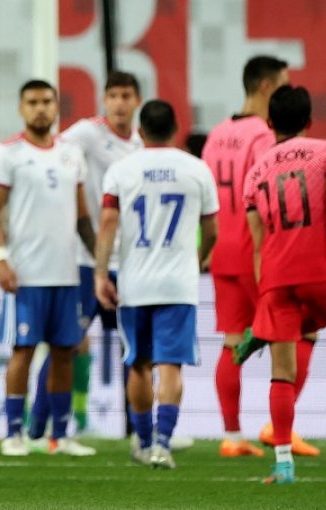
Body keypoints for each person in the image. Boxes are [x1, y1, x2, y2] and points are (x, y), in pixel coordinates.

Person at [242, 85, 326, 484]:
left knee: (281, 372)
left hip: (276, 277)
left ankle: (283, 463)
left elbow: (258, 245)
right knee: (317, 321)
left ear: (270, 123)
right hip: (319, 274)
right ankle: (284, 331)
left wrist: (263, 297)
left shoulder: (255, 171)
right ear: (309, 122)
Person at [201, 56, 318, 458]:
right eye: (283, 85)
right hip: (258, 251)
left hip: (221, 250)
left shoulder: (217, 134)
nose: (287, 91)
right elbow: (273, 192)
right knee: (301, 332)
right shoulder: (264, 137)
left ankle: (232, 436)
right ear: (267, 87)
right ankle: (277, 427)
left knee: (232, 340)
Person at [95, 100, 219, 469]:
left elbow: (107, 226)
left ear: (141, 130)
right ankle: (164, 445)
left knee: (138, 364)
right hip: (178, 284)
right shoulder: (197, 169)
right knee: (170, 366)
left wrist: (101, 274)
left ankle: (143, 442)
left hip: (135, 283)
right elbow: (212, 229)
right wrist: (197, 259)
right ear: (175, 128)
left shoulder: (121, 170)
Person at [0, 79, 97, 457]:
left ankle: (59, 436)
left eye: (47, 101)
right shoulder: (8, 153)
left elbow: (82, 218)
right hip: (26, 274)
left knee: (65, 352)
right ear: (21, 108)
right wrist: (1, 258)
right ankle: (13, 433)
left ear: (55, 106)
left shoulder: (71, 154)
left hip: (66, 272)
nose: (40, 108)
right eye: (32, 102)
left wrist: (98, 263)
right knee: (24, 350)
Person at [27, 71, 143, 441]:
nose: (120, 103)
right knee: (67, 343)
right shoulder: (89, 133)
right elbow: (42, 145)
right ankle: (35, 429)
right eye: (113, 96)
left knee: (135, 346)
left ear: (137, 101)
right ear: (104, 101)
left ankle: (141, 432)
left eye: (126, 95)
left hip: (127, 261)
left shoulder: (142, 145)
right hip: (85, 258)